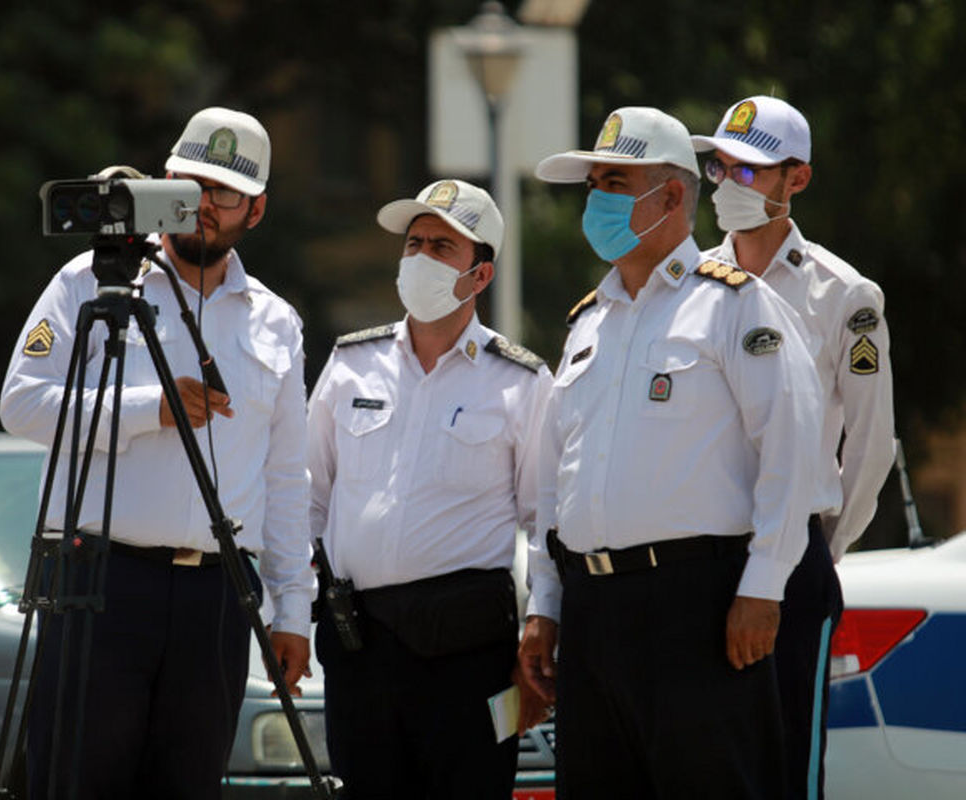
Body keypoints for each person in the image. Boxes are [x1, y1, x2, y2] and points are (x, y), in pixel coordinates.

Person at [0, 106, 314, 800]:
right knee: (77, 782)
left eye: (222, 195)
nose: (200, 207)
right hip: (99, 583)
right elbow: (20, 404)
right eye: (186, 186)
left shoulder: (276, 321)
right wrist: (152, 409)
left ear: (255, 211)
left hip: (217, 596)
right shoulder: (90, 282)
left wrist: (293, 612)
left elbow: (287, 477)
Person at [519, 106, 823, 799]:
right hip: (594, 611)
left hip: (698, 607)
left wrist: (763, 587)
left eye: (614, 182)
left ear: (673, 195)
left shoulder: (733, 307)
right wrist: (546, 603)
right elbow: (552, 482)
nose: (597, 199)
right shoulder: (587, 323)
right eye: (594, 183)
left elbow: (791, 447)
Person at [307, 179, 552, 799]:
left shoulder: (521, 382)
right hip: (359, 642)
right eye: (413, 243)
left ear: (480, 274)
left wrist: (544, 621)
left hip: (467, 648)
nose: (419, 258)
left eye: (442, 246)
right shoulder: (351, 362)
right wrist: (294, 600)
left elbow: (545, 519)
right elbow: (305, 496)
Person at [691, 95, 896, 799]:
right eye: (720, 167)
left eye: (750, 171)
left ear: (796, 180)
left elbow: (870, 445)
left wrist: (816, 546)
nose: (727, 184)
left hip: (787, 557)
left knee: (781, 765)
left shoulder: (844, 294)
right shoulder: (687, 288)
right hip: (698, 552)